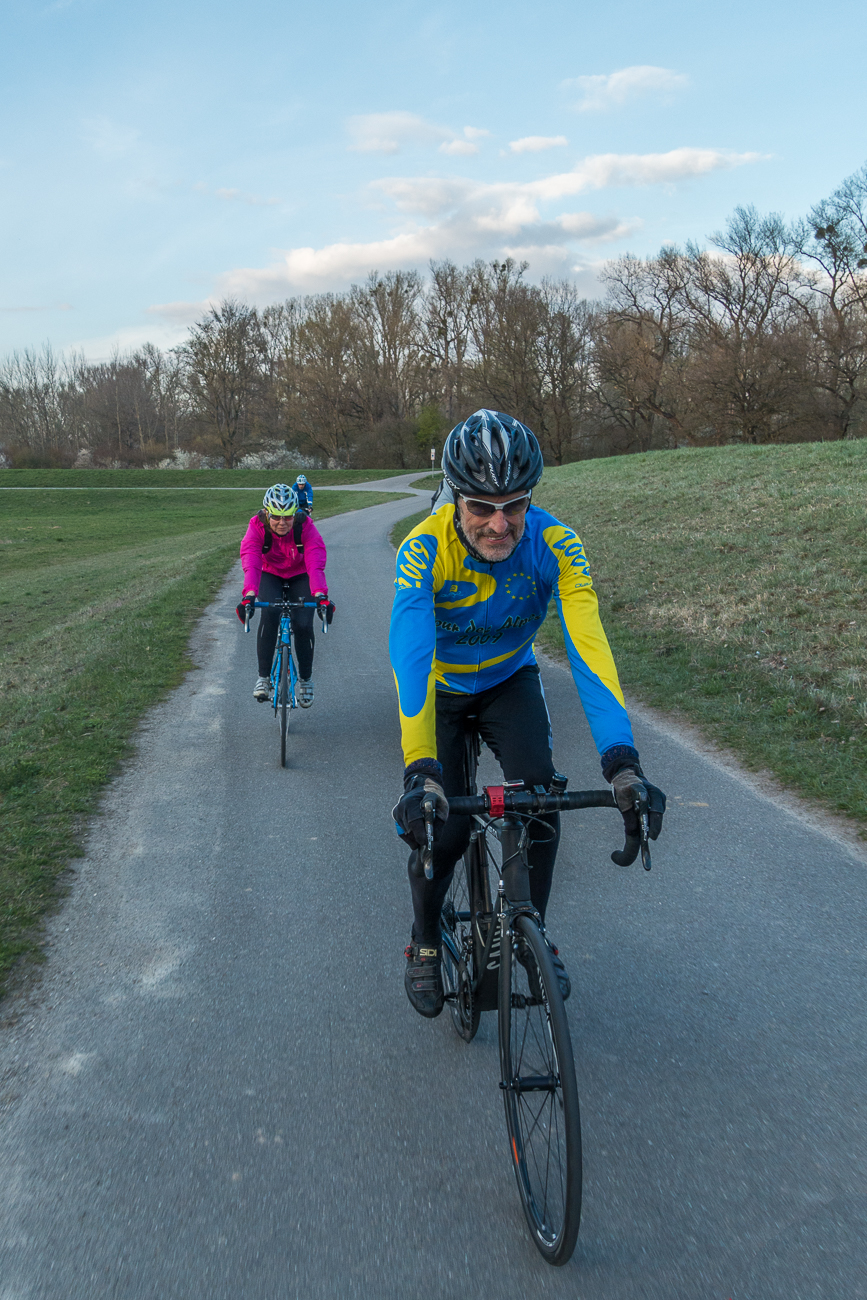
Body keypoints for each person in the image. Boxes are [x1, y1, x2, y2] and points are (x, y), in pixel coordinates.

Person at [390, 409, 665, 1017]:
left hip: (511, 681)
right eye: (480, 506)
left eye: (513, 505)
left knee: (539, 799)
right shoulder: (423, 550)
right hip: (440, 690)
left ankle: (528, 929)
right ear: (455, 497)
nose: (497, 523)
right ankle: (426, 942)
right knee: (448, 827)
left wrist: (622, 762)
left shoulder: (555, 544)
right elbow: (409, 661)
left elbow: (589, 650)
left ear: (531, 499)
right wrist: (421, 771)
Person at [236, 483, 331, 707]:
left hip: (300, 574)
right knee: (270, 612)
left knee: (303, 624)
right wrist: (249, 594)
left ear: (294, 514)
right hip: (270, 574)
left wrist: (320, 595)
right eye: (276, 517)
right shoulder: (256, 526)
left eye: (287, 517)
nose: (282, 522)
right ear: (267, 513)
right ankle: (264, 678)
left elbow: (315, 560)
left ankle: (306, 680)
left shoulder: (304, 526)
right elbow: (251, 560)